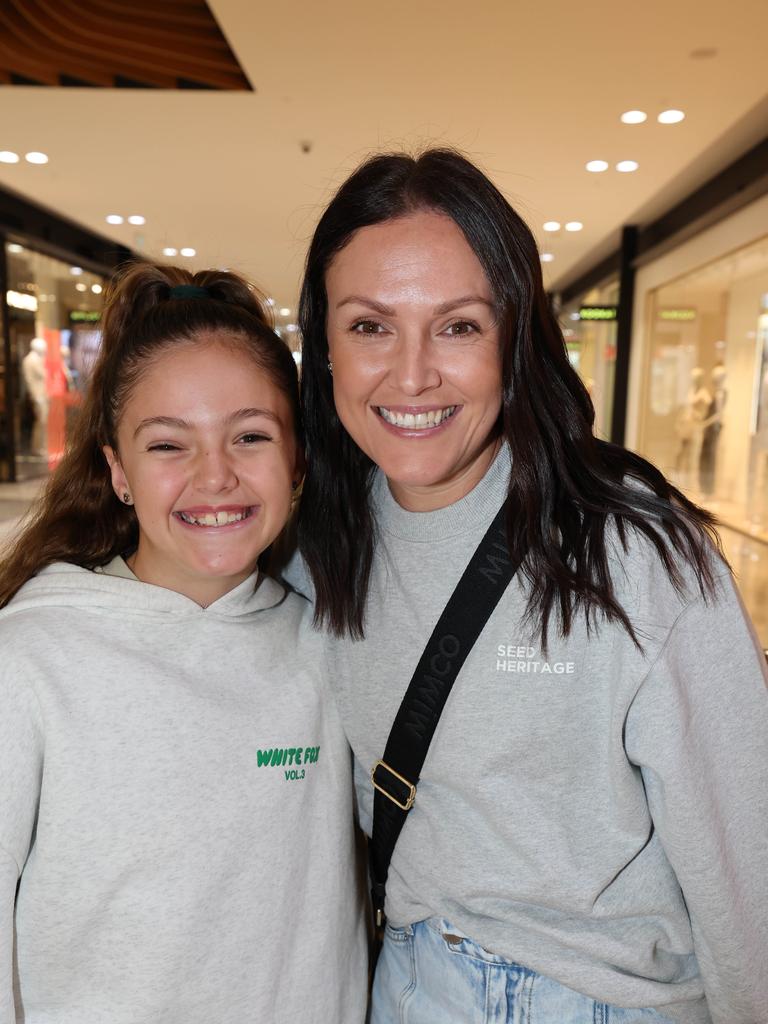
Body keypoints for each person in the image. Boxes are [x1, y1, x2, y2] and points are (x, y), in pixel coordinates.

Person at [291, 149, 768, 1024]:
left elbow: (748, 856)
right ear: (323, 344)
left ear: (516, 337)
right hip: (404, 984)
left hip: (600, 995)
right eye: (369, 326)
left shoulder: (632, 554)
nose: (411, 374)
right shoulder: (318, 544)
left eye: (459, 326)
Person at [0, 263, 367, 1024]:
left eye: (251, 436)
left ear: (298, 459)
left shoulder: (332, 648)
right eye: (169, 445)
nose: (217, 476)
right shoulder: (32, 659)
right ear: (118, 471)